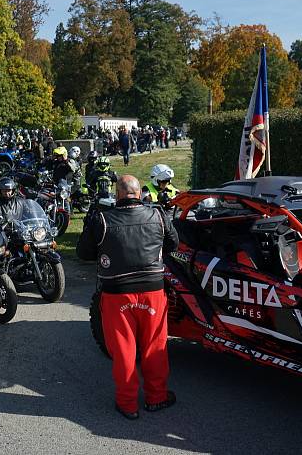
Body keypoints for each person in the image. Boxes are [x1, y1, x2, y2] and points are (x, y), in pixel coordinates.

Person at [77, 175, 179, 420]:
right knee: (155, 345)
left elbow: (83, 252)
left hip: (117, 293)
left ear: (118, 194)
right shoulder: (157, 215)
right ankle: (156, 397)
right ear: (139, 193)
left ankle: (128, 404)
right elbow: (173, 244)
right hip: (153, 290)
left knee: (124, 350)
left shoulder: (102, 219)